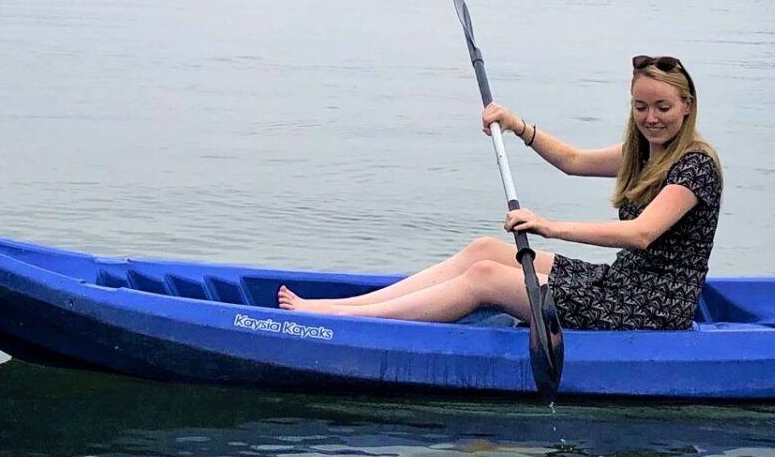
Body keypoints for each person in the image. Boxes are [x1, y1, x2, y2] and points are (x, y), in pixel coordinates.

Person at [278, 55, 722, 329]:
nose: (651, 118)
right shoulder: (643, 154)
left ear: (687, 106)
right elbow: (572, 161)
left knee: (485, 278)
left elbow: (641, 234)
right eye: (641, 107)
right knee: (483, 250)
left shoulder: (696, 165)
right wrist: (516, 125)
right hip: (620, 284)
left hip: (651, 308)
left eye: (662, 107)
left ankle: (342, 320)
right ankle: (344, 305)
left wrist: (549, 226)